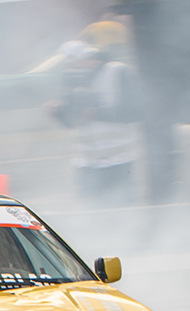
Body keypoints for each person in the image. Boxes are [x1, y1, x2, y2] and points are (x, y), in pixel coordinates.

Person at [49, 47, 141, 207]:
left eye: (76, 62)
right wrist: (59, 113)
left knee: (121, 208)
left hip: (119, 161)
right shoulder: (73, 78)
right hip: (86, 163)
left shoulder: (117, 72)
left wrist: (96, 113)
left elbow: (134, 112)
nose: (72, 67)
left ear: (90, 58)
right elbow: (73, 121)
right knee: (91, 211)